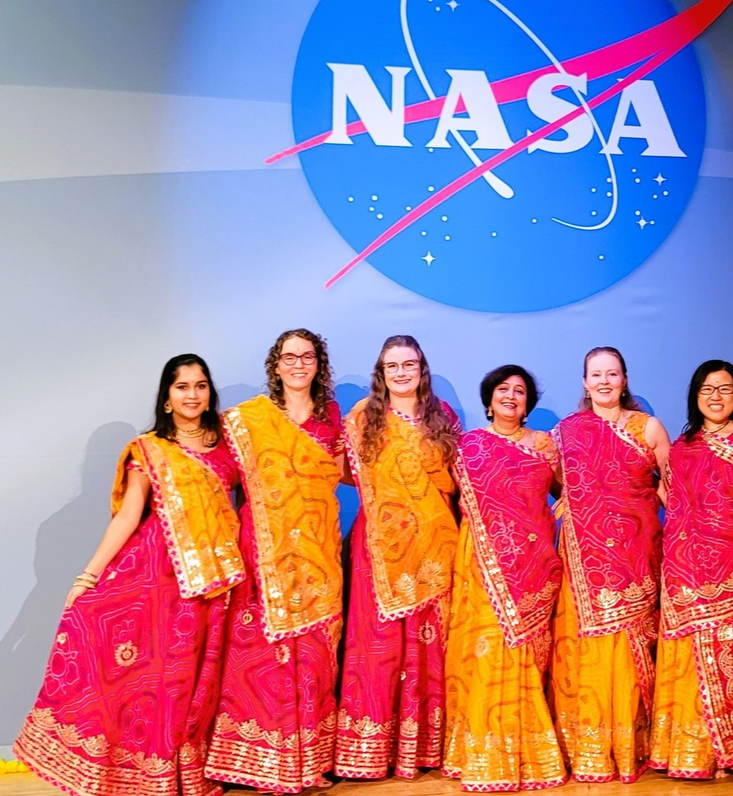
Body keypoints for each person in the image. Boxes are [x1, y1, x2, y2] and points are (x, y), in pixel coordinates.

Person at [14, 355, 245, 796]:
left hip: (212, 582)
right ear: (166, 398)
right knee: (151, 675)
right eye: (182, 387)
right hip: (155, 575)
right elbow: (127, 518)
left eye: (200, 386)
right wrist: (87, 577)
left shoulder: (228, 449)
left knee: (190, 680)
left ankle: (179, 772)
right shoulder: (149, 449)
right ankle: (135, 771)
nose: (192, 395)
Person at [206, 329, 345, 794]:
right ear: (276, 364)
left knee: (313, 655)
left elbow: (351, 474)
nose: (298, 364)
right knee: (262, 654)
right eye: (290, 357)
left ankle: (308, 764)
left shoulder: (332, 420)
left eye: (308, 357)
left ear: (318, 365)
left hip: (319, 553)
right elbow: (217, 474)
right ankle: (260, 763)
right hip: (263, 549)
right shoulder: (249, 420)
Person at [335, 334, 461, 779]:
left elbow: (456, 477)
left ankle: (426, 746)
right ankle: (370, 751)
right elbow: (345, 470)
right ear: (382, 372)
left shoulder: (441, 416)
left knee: (431, 647)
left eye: (410, 364)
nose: (402, 372)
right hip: (381, 550)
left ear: (421, 369)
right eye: (393, 366)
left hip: (435, 545)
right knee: (379, 646)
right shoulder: (364, 417)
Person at [549, 346, 671, 783]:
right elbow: (557, 483)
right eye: (595, 375)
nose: (603, 381)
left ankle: (631, 744)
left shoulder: (649, 428)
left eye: (612, 373)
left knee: (628, 647)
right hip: (583, 560)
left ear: (624, 379)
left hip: (635, 554)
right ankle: (591, 747)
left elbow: (675, 491)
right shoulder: (565, 433)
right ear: (584, 382)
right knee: (588, 651)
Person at [443, 365, 567, 791]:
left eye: (520, 391)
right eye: (503, 389)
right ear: (489, 397)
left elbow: (571, 492)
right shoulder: (468, 445)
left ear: (529, 402)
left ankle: (529, 751)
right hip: (482, 568)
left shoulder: (545, 446)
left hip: (534, 566)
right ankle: (483, 750)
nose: (511, 396)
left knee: (525, 654)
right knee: (487, 652)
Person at [650, 360, 733, 778]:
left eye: (725, 388)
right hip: (689, 571)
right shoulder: (683, 448)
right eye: (707, 389)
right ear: (695, 396)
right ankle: (697, 755)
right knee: (693, 666)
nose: (716, 397)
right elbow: (676, 505)